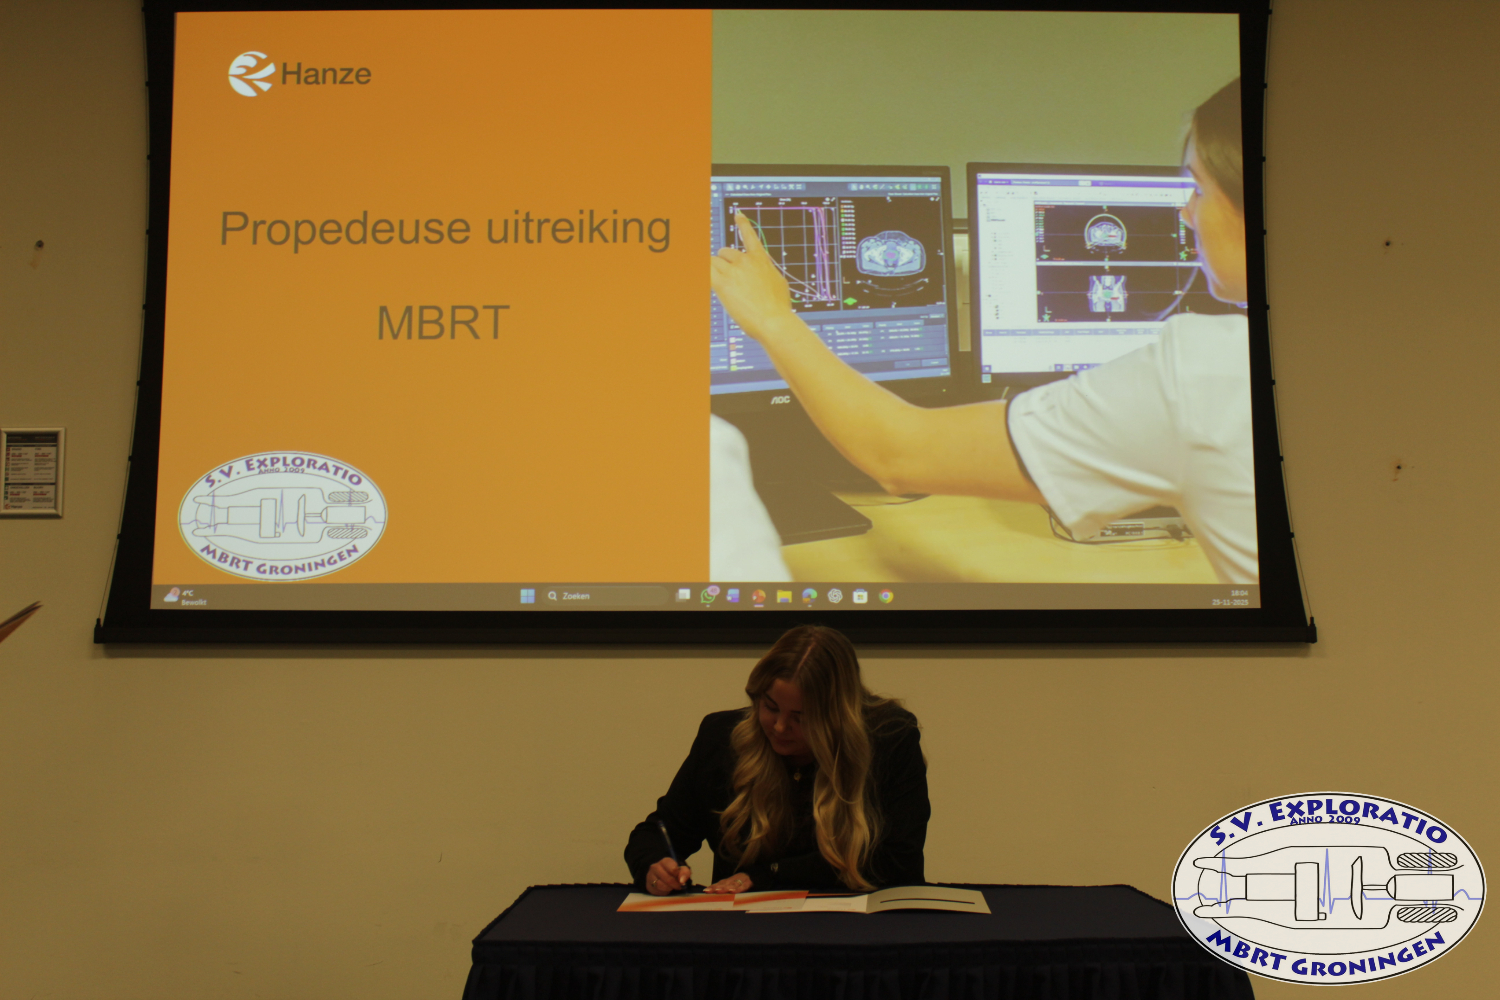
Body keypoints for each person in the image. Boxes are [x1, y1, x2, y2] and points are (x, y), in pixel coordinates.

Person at [709, 79, 1256, 584]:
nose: (1186, 214)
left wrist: (773, 318)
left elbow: (897, 452)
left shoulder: (1197, 375)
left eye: (1199, 190)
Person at [624, 624, 928, 894]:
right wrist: (655, 865)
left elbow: (898, 860)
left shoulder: (889, 740)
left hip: (858, 927)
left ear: (837, 717)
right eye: (770, 707)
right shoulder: (722, 739)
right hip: (743, 929)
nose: (780, 727)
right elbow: (657, 833)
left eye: (801, 717)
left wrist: (769, 875)